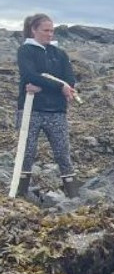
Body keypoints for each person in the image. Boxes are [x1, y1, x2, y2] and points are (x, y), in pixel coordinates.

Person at [15, 13, 80, 199]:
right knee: (26, 153)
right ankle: (21, 195)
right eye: (45, 30)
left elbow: (69, 81)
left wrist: (43, 88)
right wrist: (59, 87)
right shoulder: (25, 51)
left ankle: (74, 197)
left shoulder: (60, 54)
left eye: (52, 31)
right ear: (33, 30)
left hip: (56, 112)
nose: (50, 34)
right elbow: (29, 75)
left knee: (62, 153)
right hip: (30, 110)